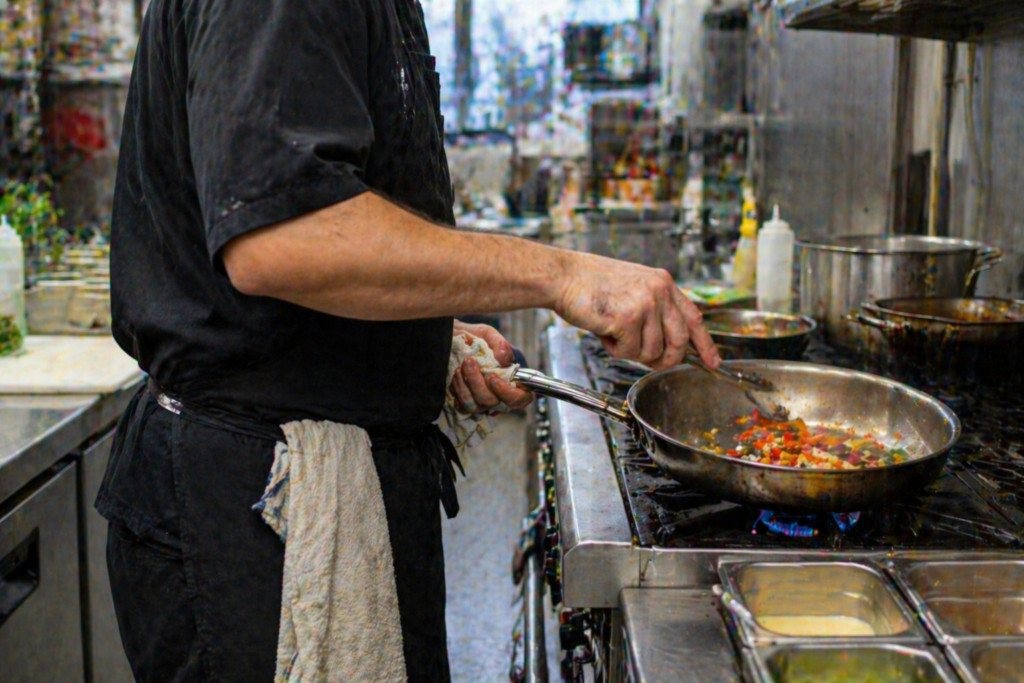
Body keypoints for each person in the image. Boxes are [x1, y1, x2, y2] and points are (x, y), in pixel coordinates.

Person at [96, 0, 720, 681]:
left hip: (328, 482)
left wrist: (423, 333)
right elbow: (282, 237)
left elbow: (324, 228)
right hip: (254, 514)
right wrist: (563, 274)